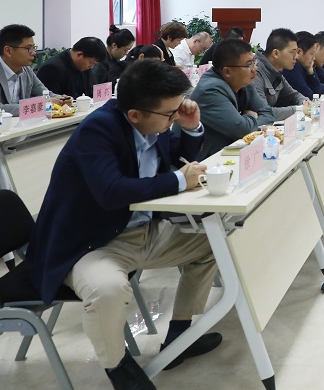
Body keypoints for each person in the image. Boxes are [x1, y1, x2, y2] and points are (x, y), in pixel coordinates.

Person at [27, 59, 221, 390]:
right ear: (134, 114)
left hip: (140, 232)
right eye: (170, 115)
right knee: (107, 290)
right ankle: (119, 369)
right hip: (91, 243)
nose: (173, 119)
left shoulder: (151, 123)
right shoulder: (97, 130)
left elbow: (171, 158)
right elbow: (111, 192)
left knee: (215, 243)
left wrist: (190, 128)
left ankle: (180, 336)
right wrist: (178, 180)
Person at [189, 39, 274, 159]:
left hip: (230, 153)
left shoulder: (244, 83)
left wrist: (248, 123)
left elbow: (268, 114)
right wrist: (251, 116)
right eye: (249, 65)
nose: (255, 69)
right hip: (204, 162)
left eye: (254, 62)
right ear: (227, 71)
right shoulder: (210, 90)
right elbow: (243, 130)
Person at [251, 28, 305, 122]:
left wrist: (305, 103)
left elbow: (293, 95)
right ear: (276, 53)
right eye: (292, 52)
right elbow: (264, 112)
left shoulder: (276, 71)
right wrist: (299, 110)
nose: (296, 57)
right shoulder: (255, 72)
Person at [0, 24, 52, 115]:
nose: (33, 53)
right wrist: (41, 105)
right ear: (8, 51)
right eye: (28, 48)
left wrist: (62, 99)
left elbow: (45, 94)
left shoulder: (26, 70)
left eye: (33, 48)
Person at [37, 37, 107, 99]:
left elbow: (90, 94)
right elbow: (51, 101)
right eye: (91, 62)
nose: (92, 66)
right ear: (79, 55)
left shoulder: (84, 66)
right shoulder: (52, 68)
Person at [285, 31, 324, 99]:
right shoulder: (292, 67)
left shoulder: (304, 66)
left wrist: (311, 72)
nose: (314, 58)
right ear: (299, 52)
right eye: (312, 53)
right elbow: (309, 95)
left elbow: (317, 91)